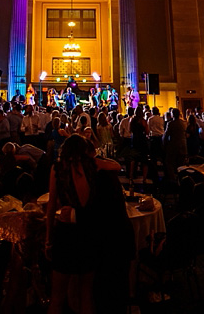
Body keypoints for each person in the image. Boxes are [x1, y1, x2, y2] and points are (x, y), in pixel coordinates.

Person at [45, 135, 122, 314]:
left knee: (57, 297)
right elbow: (117, 166)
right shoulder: (92, 166)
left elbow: (51, 206)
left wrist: (49, 238)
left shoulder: (57, 168)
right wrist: (99, 160)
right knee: (86, 293)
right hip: (88, 232)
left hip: (65, 235)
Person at [162, 108, 187, 184]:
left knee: (169, 163)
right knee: (181, 164)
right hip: (183, 146)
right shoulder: (184, 123)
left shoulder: (171, 123)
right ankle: (181, 179)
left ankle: (173, 180)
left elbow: (166, 135)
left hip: (173, 146)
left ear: (173, 114)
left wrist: (164, 144)